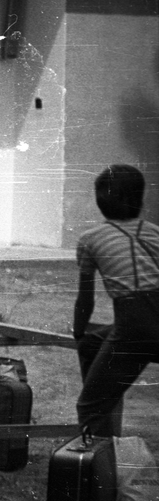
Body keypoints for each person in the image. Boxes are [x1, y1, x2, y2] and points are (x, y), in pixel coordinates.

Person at [73, 164, 159, 436]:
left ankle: (101, 471)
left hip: (135, 329)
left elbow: (85, 300)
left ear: (101, 202)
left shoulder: (90, 239)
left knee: (90, 407)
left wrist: (77, 330)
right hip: (150, 325)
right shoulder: (154, 232)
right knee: (91, 343)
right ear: (140, 199)